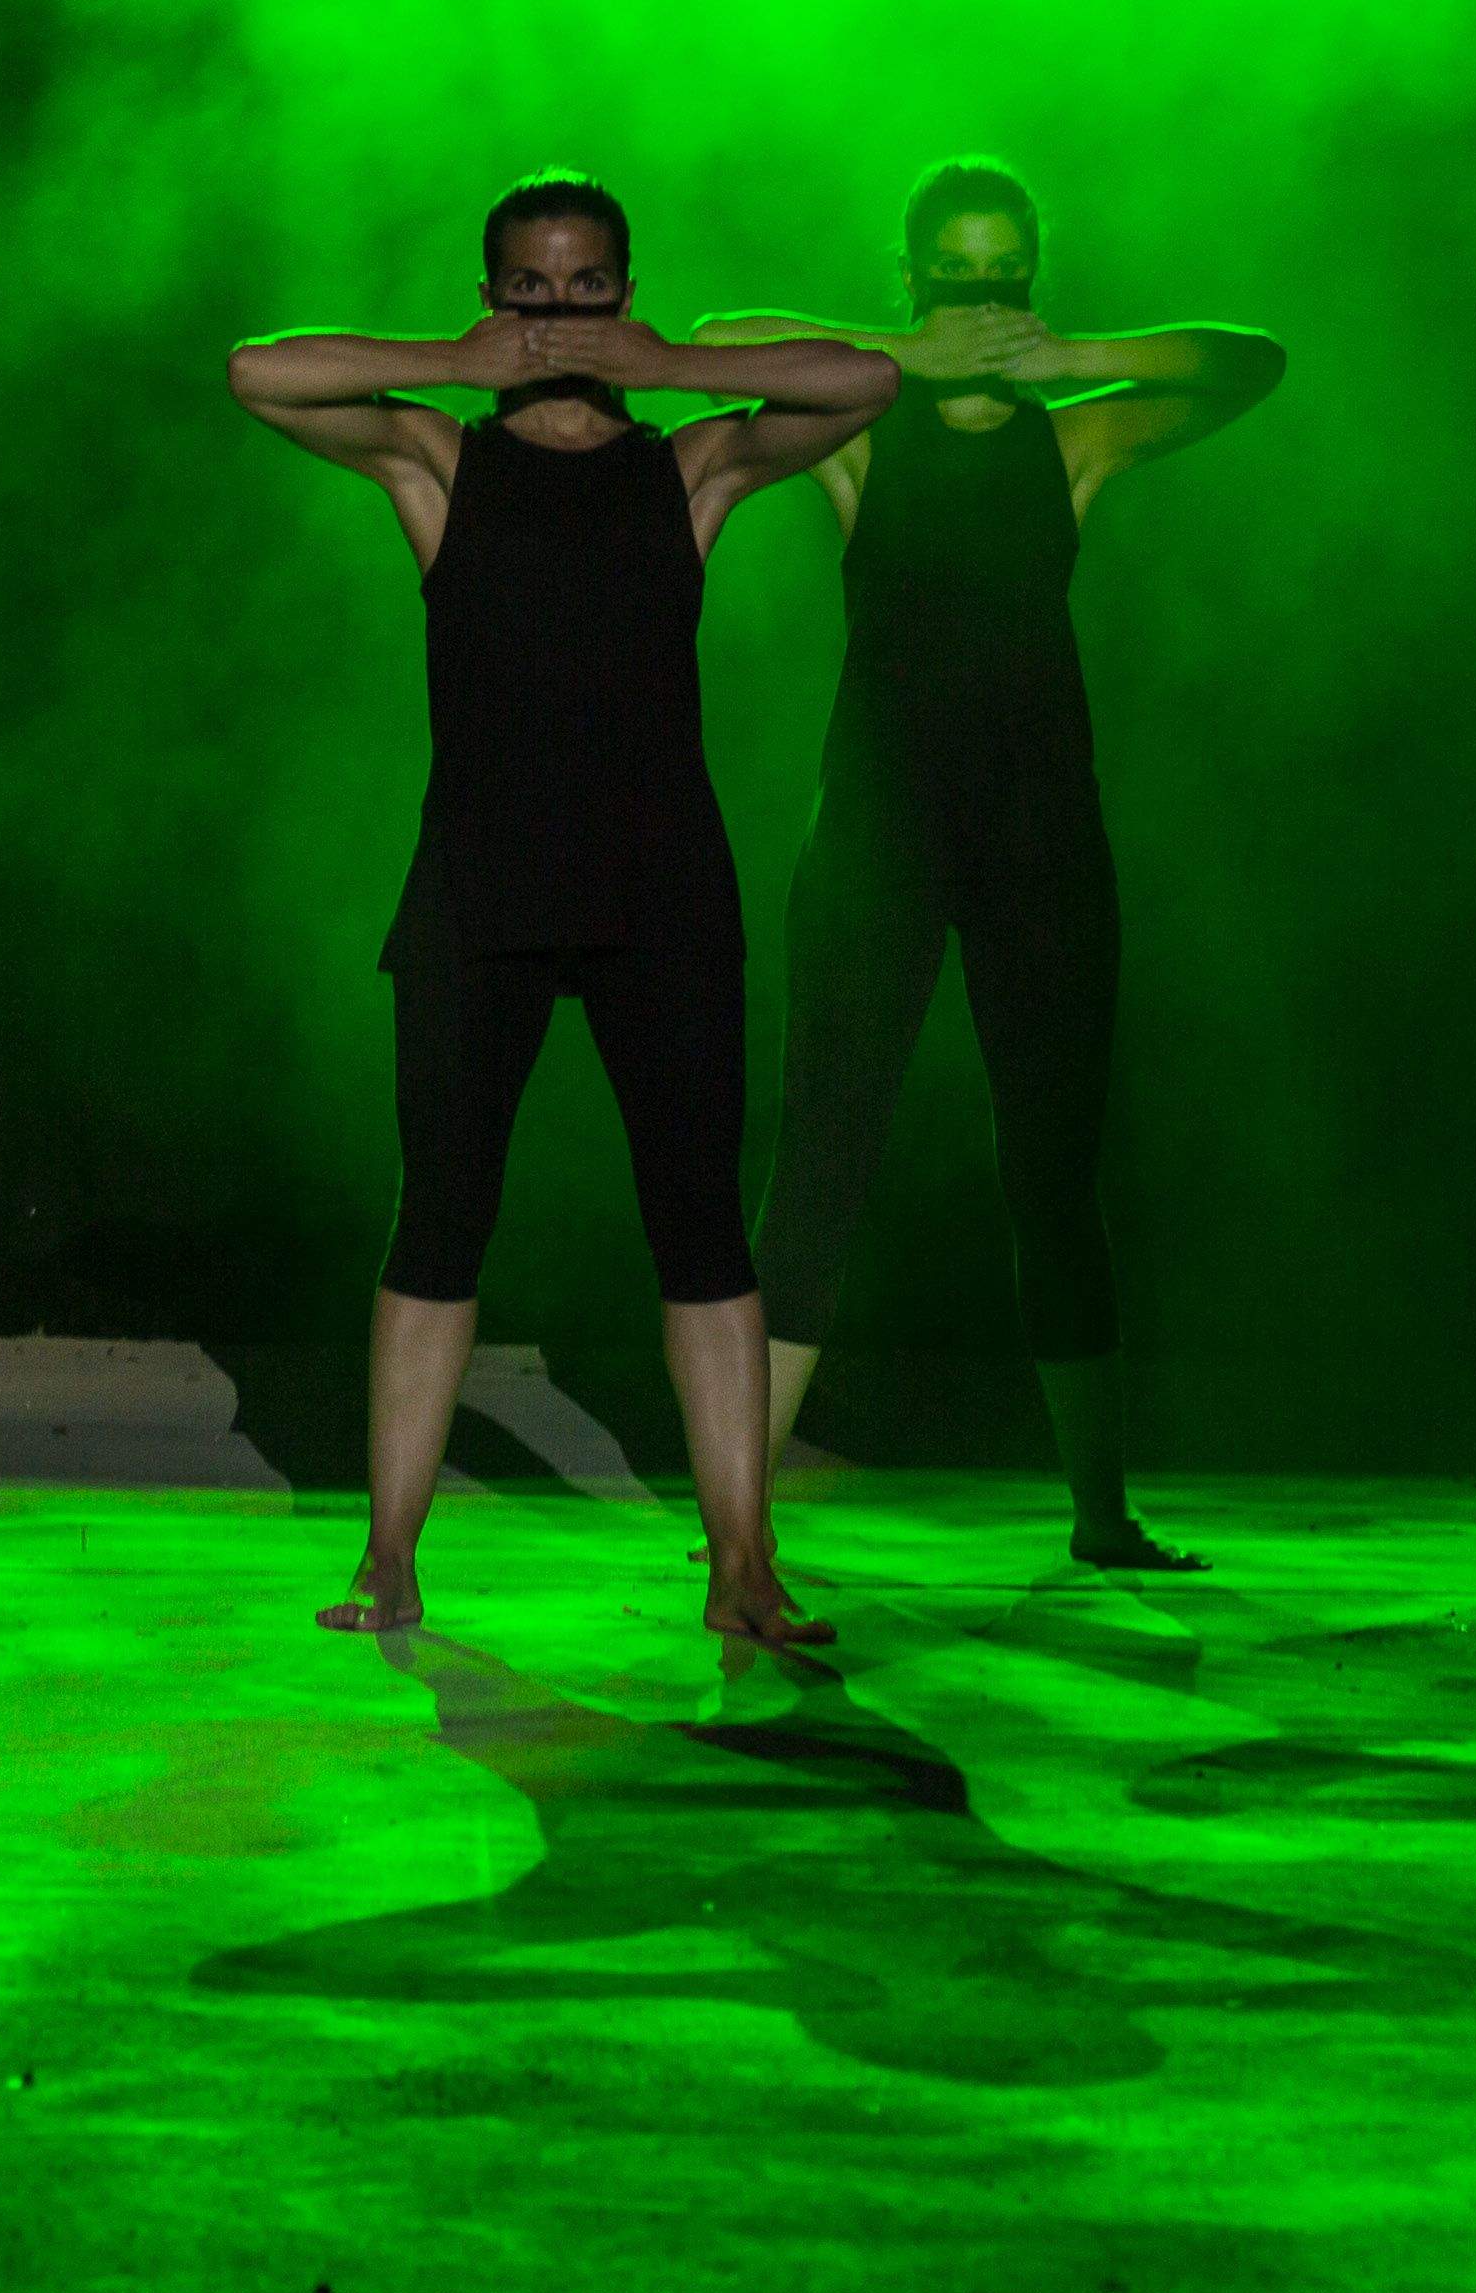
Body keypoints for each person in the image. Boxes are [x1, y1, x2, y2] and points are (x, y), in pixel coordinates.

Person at [231, 170, 897, 1645]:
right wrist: (451, 365)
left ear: (623, 287)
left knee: (704, 1233)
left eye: (581, 285)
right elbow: (257, 373)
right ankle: (390, 1561)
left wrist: (668, 367)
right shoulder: (437, 463)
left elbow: (870, 380)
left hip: (663, 892)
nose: (552, 317)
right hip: (480, 893)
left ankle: (744, 1569)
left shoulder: (692, 467)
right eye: (524, 289)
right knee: (442, 1226)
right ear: (489, 298)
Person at [698, 157, 1284, 1570]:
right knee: (819, 1164)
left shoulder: (1074, 444)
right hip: (881, 832)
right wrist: (899, 356)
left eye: (1002, 271)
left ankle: (1102, 1513)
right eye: (951, 274)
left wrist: (1069, 355)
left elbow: (1252, 364)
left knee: (1057, 1169)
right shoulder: (855, 436)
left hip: (1039, 834)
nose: (981, 298)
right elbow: (698, 351)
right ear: (911, 283)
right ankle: (739, 1536)